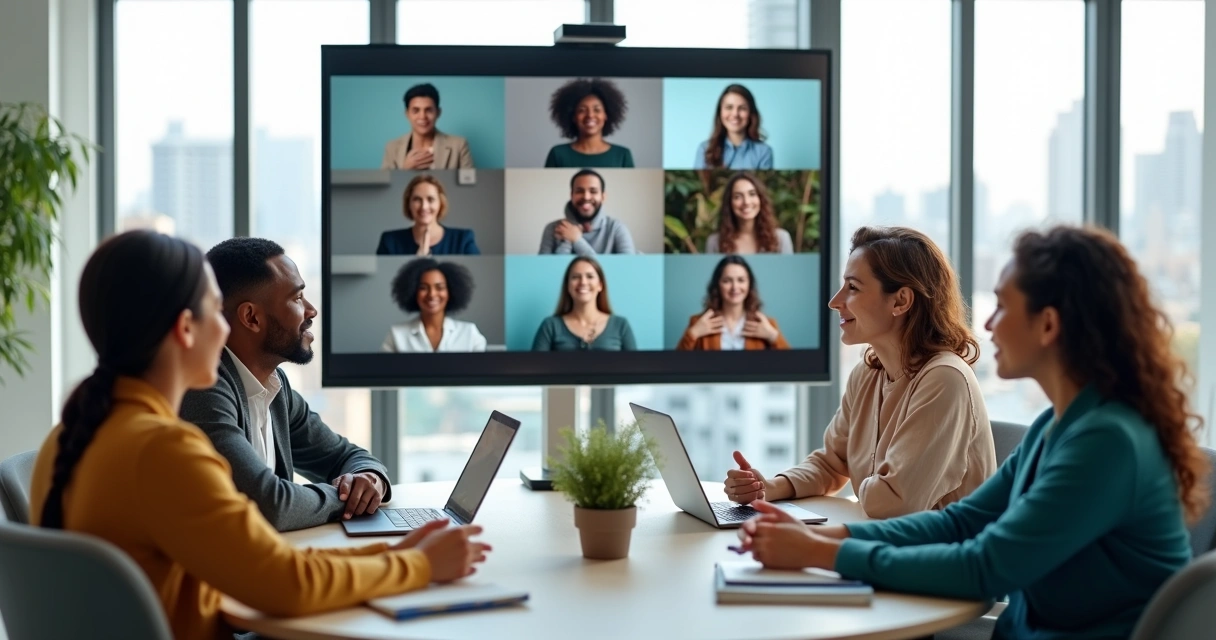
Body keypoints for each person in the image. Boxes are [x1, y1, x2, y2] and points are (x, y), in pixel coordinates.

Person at [736, 225, 1210, 639]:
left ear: (1048, 324)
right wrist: (829, 537)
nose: (986, 323)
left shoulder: (1107, 443)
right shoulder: (1054, 427)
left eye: (1002, 306)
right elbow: (960, 522)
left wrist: (824, 553)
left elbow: (986, 566)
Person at [29, 230, 490, 640]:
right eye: (215, 310)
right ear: (186, 329)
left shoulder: (70, 436)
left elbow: (261, 563)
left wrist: (391, 554)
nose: (224, 328)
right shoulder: (164, 451)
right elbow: (286, 585)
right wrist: (419, 566)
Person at [724, 227, 996, 519]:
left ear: (901, 301)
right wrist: (768, 487)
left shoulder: (945, 380)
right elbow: (831, 463)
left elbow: (893, 503)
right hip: (883, 538)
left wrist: (866, 481)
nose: (834, 301)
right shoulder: (867, 373)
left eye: (852, 287)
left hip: (937, 547)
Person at [179, 237, 391, 532]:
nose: (311, 310)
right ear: (252, 317)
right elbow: (269, 504)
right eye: (297, 298)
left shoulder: (275, 387)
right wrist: (345, 497)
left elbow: (346, 456)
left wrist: (369, 478)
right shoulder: (204, 390)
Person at [676, 255, 790, 351]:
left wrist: (773, 336)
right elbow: (677, 364)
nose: (735, 287)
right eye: (727, 281)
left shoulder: (767, 325)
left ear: (749, 284)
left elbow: (791, 363)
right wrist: (693, 334)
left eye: (741, 280)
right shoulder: (698, 323)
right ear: (717, 285)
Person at [532, 256, 636, 351]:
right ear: (567, 286)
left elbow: (635, 365)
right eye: (575, 277)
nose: (583, 282)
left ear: (600, 285)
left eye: (590, 276)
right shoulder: (550, 326)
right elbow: (536, 364)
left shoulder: (621, 325)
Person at [383, 258, 487, 353]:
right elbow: (384, 367)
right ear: (413, 291)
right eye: (423, 288)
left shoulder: (469, 333)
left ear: (450, 291)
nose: (432, 294)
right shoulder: (396, 335)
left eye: (440, 287)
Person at [539, 169, 636, 256]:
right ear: (571, 195)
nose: (586, 197)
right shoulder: (552, 228)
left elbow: (628, 267)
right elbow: (545, 268)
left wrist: (577, 240)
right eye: (579, 191)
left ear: (603, 197)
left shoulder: (617, 228)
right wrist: (567, 240)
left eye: (593, 191)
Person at [376, 174, 480, 256]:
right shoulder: (389, 241)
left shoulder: (463, 240)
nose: (424, 207)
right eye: (417, 199)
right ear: (408, 204)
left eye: (430, 199)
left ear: (441, 203)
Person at [544, 78, 635, 168]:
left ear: (606, 115)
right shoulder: (558, 154)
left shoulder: (622, 155)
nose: (590, 115)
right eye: (582, 110)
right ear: (573, 116)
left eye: (597, 110)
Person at [381, 82, 473, 170]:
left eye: (429, 110)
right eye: (416, 110)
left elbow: (470, 180)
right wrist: (404, 171)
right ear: (407, 114)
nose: (422, 116)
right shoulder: (392, 148)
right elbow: (385, 181)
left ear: (438, 112)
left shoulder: (459, 145)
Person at [704, 172, 793, 254]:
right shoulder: (715, 242)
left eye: (752, 194)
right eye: (738, 196)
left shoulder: (781, 239)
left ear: (760, 199)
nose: (746, 202)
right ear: (729, 203)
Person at [694, 84, 774, 170]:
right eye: (729, 107)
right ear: (720, 112)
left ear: (751, 113)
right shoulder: (705, 149)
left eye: (742, 108)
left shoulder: (763, 152)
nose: (735, 114)